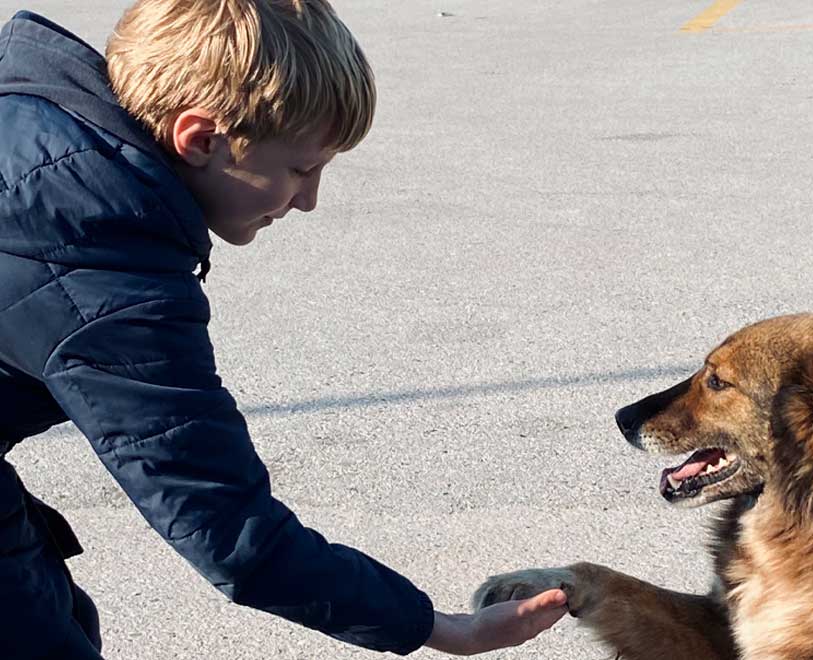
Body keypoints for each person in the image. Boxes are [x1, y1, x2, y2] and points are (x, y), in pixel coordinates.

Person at [0, 2, 567, 657]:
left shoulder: (33, 114)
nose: (309, 200)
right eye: (301, 169)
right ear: (200, 138)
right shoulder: (102, 265)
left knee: (53, 609)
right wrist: (443, 629)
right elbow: (229, 529)